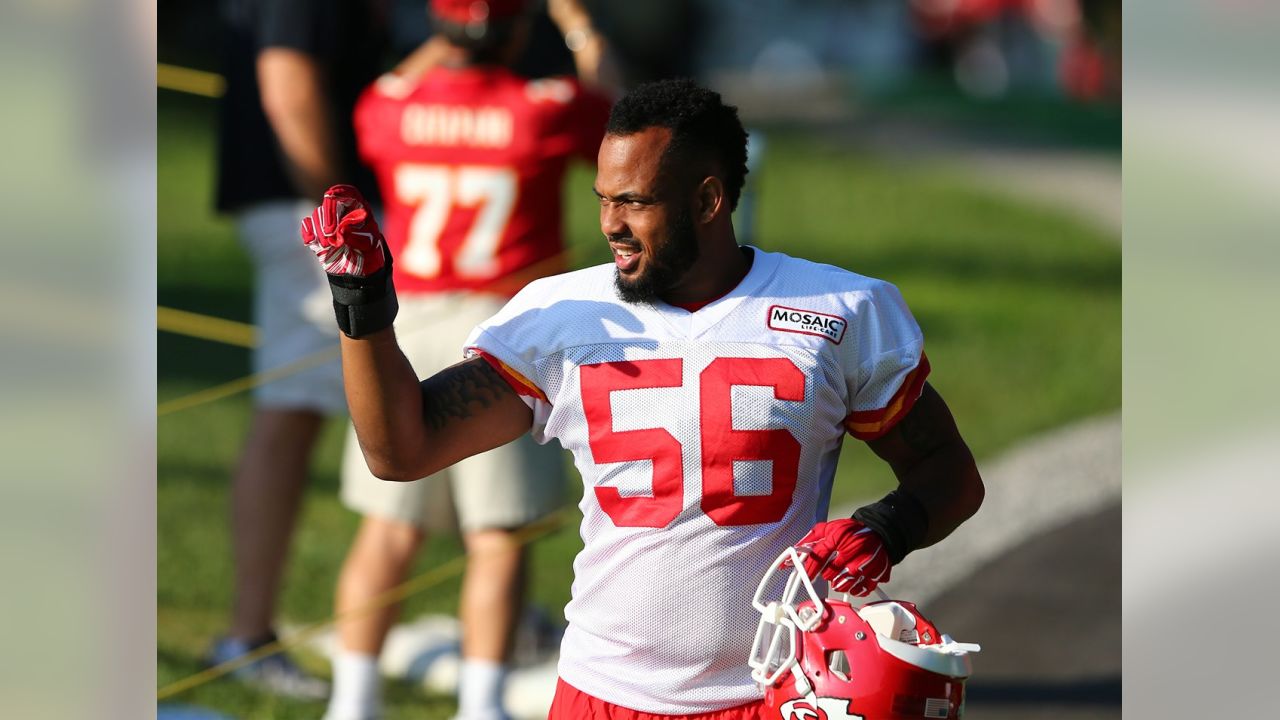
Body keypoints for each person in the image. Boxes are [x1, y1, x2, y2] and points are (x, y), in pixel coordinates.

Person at [302, 78, 984, 718]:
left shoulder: (840, 310)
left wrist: (886, 526)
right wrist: (363, 302)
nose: (610, 223)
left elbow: (949, 475)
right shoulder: (561, 315)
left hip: (767, 689)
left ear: (709, 201)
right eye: (603, 197)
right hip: (601, 693)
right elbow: (401, 449)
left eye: (634, 201)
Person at [321, 2, 620, 719]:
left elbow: (396, 87)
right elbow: (618, 112)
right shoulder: (542, 107)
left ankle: (352, 701)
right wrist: (576, 22)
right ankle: (481, 705)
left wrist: (451, 39)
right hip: (501, 328)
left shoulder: (392, 103)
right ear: (518, 30)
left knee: (389, 528)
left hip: (409, 319)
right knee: (499, 534)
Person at [208, 0, 386, 699]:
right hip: (306, 208)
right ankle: (248, 632)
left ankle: (250, 631)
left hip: (297, 204)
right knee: (301, 409)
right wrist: (341, 215)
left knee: (298, 408)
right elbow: (288, 80)